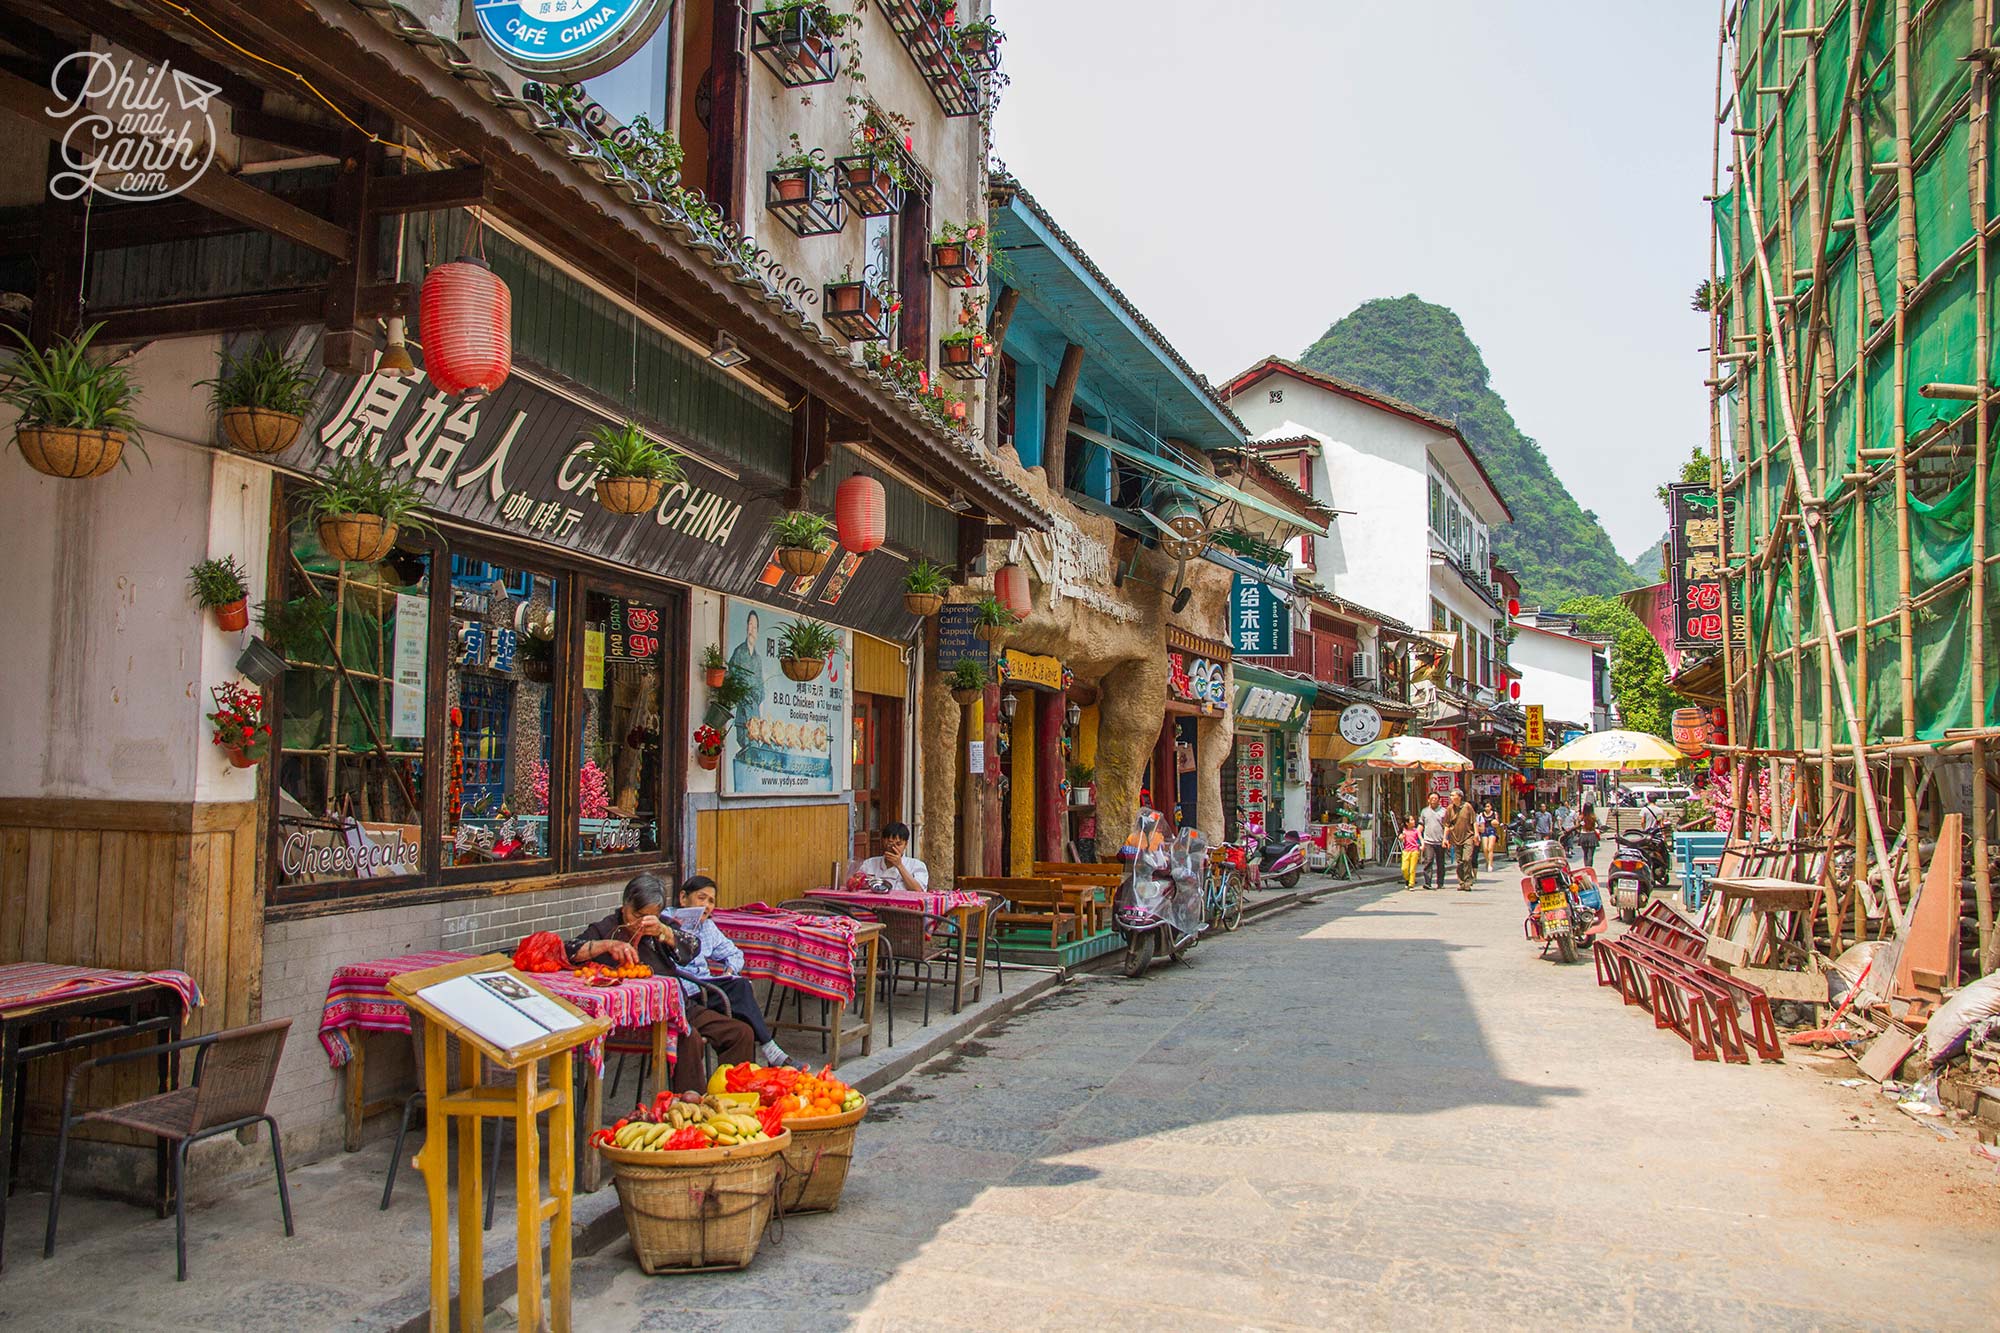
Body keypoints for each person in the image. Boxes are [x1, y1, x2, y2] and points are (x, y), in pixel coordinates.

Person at [570, 873, 755, 1092]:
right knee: (689, 1037)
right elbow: (569, 950)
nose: (640, 923)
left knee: (740, 1033)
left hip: (679, 1007)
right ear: (624, 905)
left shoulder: (662, 926)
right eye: (636, 915)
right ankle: (690, 1107)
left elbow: (691, 948)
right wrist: (604, 946)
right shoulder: (607, 927)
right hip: (640, 1016)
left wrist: (664, 932)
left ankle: (731, 1098)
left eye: (649, 917)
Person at [673, 875, 802, 1069]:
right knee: (741, 989)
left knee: (742, 1008)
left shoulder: (707, 926)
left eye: (711, 901)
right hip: (684, 991)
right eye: (701, 898)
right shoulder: (666, 923)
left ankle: (744, 1081)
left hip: (706, 989)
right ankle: (769, 1048)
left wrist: (730, 969)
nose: (706, 905)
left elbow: (734, 953)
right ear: (683, 898)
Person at [854, 821, 930, 893]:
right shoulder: (869, 863)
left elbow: (919, 890)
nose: (894, 848)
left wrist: (899, 866)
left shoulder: (916, 865)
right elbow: (856, 884)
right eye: (890, 843)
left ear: (905, 844)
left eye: (899, 844)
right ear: (883, 841)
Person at [1445, 788, 1478, 890]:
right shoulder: (1450, 809)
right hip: (1455, 837)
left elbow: (1474, 822)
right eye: (1450, 795)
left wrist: (1476, 834)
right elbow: (1447, 824)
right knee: (1459, 861)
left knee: (1466, 858)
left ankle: (1468, 880)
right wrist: (1445, 838)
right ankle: (1462, 882)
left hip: (1468, 836)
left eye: (1453, 795)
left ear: (1459, 797)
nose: (1451, 797)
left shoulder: (1467, 807)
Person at [1417, 792, 1448, 890]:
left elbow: (1447, 826)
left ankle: (1440, 882)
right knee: (1428, 861)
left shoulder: (1444, 811)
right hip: (1428, 841)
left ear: (1439, 800)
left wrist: (1445, 839)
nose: (1434, 800)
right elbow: (1421, 824)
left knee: (1440, 862)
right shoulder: (1424, 811)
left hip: (1440, 840)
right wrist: (1417, 834)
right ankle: (1427, 882)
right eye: (1432, 798)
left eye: (1436, 798)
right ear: (1428, 800)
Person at [1576, 801, 1601, 871]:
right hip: (1592, 835)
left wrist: (1579, 830)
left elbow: (1577, 824)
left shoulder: (1581, 816)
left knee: (1585, 854)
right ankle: (1589, 868)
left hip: (1583, 835)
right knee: (1590, 855)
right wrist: (1597, 830)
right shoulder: (1594, 816)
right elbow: (1600, 825)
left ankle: (1586, 867)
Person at [1399, 815, 1421, 888]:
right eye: (1411, 820)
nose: (1414, 821)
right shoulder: (1404, 830)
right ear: (1407, 823)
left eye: (1413, 819)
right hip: (1406, 851)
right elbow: (1400, 837)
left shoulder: (1416, 831)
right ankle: (1407, 879)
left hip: (1415, 850)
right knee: (1404, 868)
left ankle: (1411, 884)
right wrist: (1401, 837)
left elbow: (1421, 838)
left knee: (1412, 869)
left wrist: (1422, 845)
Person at [1479, 801, 1500, 867]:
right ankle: (1487, 861)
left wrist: (1496, 823)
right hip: (1484, 830)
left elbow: (1497, 823)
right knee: (1485, 848)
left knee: (1490, 848)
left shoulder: (1494, 813)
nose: (1487, 808)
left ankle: (1490, 864)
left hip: (1492, 830)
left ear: (1491, 807)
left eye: (1488, 806)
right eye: (1485, 807)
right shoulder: (1481, 814)